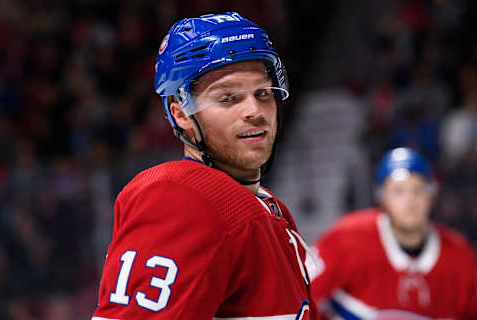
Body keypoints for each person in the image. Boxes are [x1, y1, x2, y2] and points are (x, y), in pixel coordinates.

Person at [92, 12, 317, 320]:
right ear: (181, 114)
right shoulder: (185, 198)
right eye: (227, 98)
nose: (255, 110)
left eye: (263, 93)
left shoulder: (265, 205)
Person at [305, 147, 477, 319]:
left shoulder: (460, 258)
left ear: (431, 195)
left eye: (418, 190)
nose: (410, 201)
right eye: (398, 191)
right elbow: (293, 293)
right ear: (382, 197)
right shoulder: (347, 239)